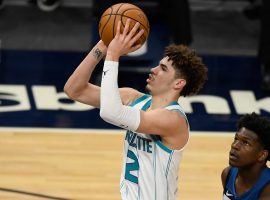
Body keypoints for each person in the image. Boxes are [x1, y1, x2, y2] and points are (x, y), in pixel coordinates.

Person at [64, 20, 207, 199]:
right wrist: (103, 45)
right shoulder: (133, 98)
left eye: (162, 68)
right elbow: (74, 90)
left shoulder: (173, 120)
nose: (153, 70)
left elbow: (111, 113)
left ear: (178, 83)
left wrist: (114, 55)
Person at [221, 112, 270, 200]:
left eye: (245, 143)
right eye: (236, 138)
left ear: (262, 155)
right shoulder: (227, 174)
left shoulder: (267, 188)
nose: (235, 145)